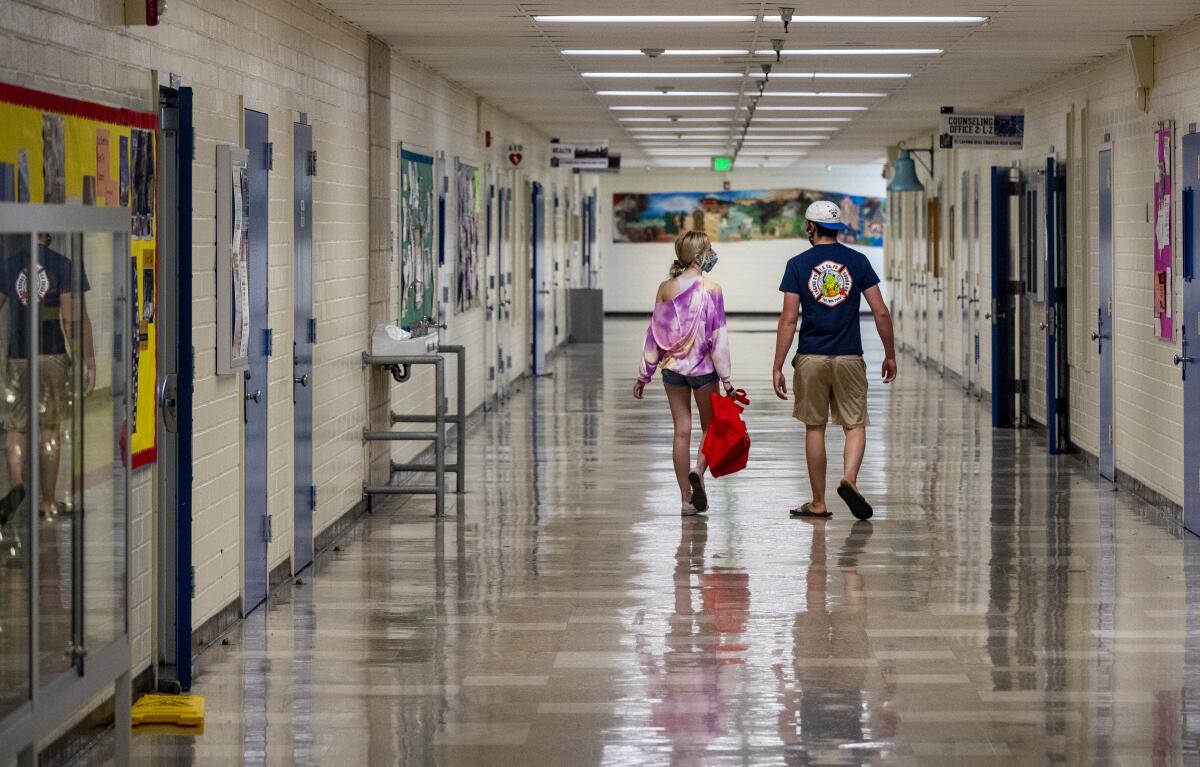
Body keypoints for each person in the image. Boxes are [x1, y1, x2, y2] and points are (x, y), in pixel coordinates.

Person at [772, 201, 895, 520]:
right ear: (838, 228)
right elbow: (880, 311)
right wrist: (890, 354)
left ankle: (818, 502)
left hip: (811, 356)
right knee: (854, 424)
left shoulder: (797, 264)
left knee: (815, 427)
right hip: (849, 356)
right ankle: (849, 480)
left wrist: (777, 365)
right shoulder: (858, 261)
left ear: (811, 227)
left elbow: (788, 319)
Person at [634, 230, 734, 516]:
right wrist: (726, 377)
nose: (713, 253)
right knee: (711, 427)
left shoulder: (665, 288)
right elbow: (718, 336)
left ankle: (686, 500)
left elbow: (654, 333)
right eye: (710, 249)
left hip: (672, 370)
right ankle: (698, 471)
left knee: (682, 430)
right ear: (701, 255)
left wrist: (645, 373)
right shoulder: (712, 289)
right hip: (703, 370)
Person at [0, 233, 95, 519]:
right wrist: (86, 361)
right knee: (50, 429)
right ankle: (48, 501)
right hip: (51, 356)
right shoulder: (63, 265)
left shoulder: (9, 265)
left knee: (16, 428)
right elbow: (72, 318)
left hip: (18, 357)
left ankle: (17, 489)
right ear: (48, 235)